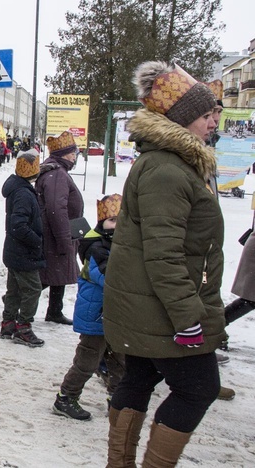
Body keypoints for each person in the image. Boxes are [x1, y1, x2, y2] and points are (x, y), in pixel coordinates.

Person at [103, 62, 225, 467]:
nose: (213, 122)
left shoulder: (173, 163)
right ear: (185, 118)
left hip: (150, 307)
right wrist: (188, 317)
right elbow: (163, 253)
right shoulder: (168, 170)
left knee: (137, 379)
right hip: (164, 311)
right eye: (207, 115)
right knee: (198, 388)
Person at [53, 194, 125, 421]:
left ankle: (118, 401)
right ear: (102, 222)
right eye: (112, 220)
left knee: (120, 362)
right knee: (87, 362)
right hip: (95, 316)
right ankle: (66, 397)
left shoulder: (122, 246)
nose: (117, 225)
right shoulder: (97, 248)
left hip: (116, 316)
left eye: (122, 221)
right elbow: (109, 278)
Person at [36, 130, 84, 325]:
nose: (75, 158)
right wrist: (64, 238)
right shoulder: (57, 174)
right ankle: (19, 297)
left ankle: (55, 310)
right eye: (73, 154)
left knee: (58, 272)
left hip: (59, 230)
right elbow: (57, 208)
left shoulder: (57, 171)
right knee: (53, 272)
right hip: (56, 233)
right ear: (65, 155)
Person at [0, 149, 46, 347]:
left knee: (15, 289)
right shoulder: (24, 194)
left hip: (14, 250)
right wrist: (36, 240)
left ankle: (8, 323)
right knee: (33, 289)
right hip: (23, 251)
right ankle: (24, 327)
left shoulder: (17, 189)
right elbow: (18, 225)